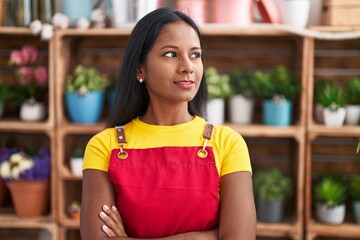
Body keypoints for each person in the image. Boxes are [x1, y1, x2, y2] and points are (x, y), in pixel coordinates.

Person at [80, 7, 256, 240]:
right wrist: (206, 236)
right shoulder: (105, 146)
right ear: (139, 68)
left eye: (195, 55)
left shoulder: (228, 144)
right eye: (171, 54)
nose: (188, 67)